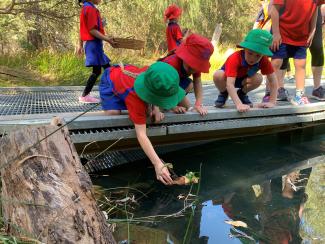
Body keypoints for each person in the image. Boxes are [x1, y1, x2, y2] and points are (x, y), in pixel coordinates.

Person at [99, 62, 185, 185]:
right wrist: (157, 163)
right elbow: (141, 135)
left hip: (129, 78)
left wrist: (156, 108)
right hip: (110, 80)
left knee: (147, 113)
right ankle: (118, 102)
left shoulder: (154, 74)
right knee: (113, 114)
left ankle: (137, 106)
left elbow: (155, 90)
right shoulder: (134, 98)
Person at [270, 0, 324, 105]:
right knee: (276, 62)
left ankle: (300, 95)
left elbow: (315, 10)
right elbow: (274, 9)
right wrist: (276, 33)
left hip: (301, 34)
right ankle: (271, 92)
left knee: (301, 64)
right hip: (282, 32)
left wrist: (312, 30)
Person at [213, 29, 278, 113]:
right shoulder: (235, 58)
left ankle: (242, 93)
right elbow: (230, 84)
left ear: (263, 54)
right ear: (244, 48)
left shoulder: (264, 60)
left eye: (258, 55)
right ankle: (223, 93)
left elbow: (273, 81)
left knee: (258, 78)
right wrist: (239, 104)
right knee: (218, 75)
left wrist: (272, 102)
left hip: (244, 80)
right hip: (227, 80)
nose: (253, 58)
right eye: (250, 53)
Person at [159, 33, 214, 115]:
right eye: (191, 65)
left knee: (189, 88)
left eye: (198, 65)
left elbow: (197, 82)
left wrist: (198, 104)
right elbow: (162, 86)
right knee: (184, 106)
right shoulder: (172, 64)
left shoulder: (196, 66)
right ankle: (165, 105)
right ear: (185, 56)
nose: (194, 69)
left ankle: (170, 103)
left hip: (174, 85)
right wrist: (173, 106)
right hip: (160, 86)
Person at [76, 0, 116, 104]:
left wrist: (80, 45)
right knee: (100, 70)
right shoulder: (91, 9)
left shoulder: (85, 8)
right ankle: (85, 96)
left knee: (107, 68)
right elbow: (92, 31)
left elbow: (82, 29)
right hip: (94, 45)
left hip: (92, 44)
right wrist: (108, 39)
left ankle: (112, 92)